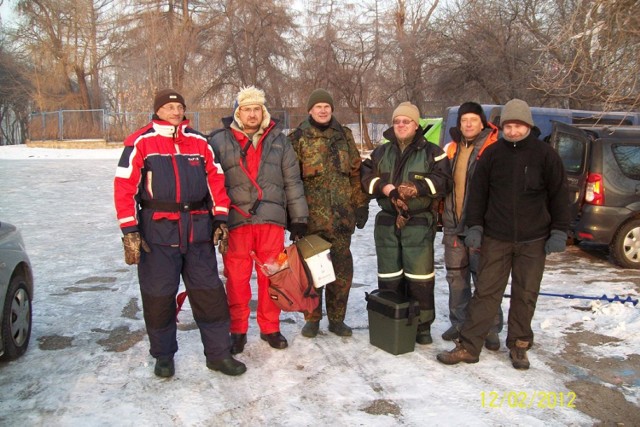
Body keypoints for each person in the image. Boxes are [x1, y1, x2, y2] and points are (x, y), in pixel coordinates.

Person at [114, 89, 246, 378]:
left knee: (210, 295)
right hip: (157, 234)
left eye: (179, 106)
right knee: (159, 296)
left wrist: (220, 219)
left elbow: (217, 181)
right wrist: (129, 230)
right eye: (169, 106)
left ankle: (218, 354)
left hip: (198, 233)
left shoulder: (200, 142)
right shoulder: (140, 142)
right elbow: (124, 187)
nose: (175, 111)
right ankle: (163, 355)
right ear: (158, 110)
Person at [436, 99, 570, 369]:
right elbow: (478, 196)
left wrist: (559, 231)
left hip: (534, 239)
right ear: (502, 127)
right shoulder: (493, 155)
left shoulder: (546, 156)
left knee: (526, 293)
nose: (513, 131)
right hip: (496, 238)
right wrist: (474, 226)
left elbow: (560, 196)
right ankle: (469, 346)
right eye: (508, 125)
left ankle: (519, 345)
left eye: (518, 125)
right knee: (486, 292)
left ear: (528, 126)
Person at [209, 86, 308, 354]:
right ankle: (238, 330)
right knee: (237, 279)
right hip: (236, 221)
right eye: (247, 109)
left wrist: (298, 217)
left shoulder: (279, 140)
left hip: (270, 221)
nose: (252, 114)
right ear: (238, 112)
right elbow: (209, 181)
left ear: (263, 111)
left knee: (271, 277)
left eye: (257, 109)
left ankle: (270, 327)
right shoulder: (218, 141)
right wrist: (213, 218)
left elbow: (293, 181)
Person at [361, 102, 452, 344]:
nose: (401, 125)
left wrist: (419, 187)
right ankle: (394, 319)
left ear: (416, 124)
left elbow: (444, 181)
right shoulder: (381, 152)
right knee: (389, 275)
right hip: (387, 221)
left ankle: (421, 325)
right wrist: (384, 187)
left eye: (406, 121)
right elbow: (365, 178)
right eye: (397, 121)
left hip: (419, 221)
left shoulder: (433, 152)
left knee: (419, 277)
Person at [288, 89, 370, 338]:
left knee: (342, 270)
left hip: (342, 218)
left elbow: (356, 173)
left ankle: (337, 319)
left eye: (327, 106)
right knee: (314, 270)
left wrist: (360, 204)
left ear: (331, 109)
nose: (323, 110)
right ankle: (312, 318)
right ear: (310, 110)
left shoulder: (343, 136)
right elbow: (290, 180)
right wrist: (293, 217)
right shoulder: (298, 138)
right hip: (311, 220)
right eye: (318, 106)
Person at [441, 102, 504, 350]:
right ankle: (459, 322)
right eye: (464, 119)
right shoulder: (451, 149)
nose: (468, 124)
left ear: (483, 122)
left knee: (485, 279)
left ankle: (490, 327)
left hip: (483, 227)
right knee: (456, 278)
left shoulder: (493, 148)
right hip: (452, 225)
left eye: (473, 119)